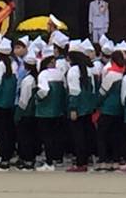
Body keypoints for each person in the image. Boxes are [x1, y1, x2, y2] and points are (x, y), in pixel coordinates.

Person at [66, 43, 96, 173]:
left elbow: (74, 91)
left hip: (78, 107)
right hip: (87, 107)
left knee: (78, 136)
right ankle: (87, 159)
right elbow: (92, 89)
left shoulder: (73, 71)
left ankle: (80, 162)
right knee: (87, 134)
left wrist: (73, 108)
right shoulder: (88, 69)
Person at [35, 49, 67, 170]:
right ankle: (57, 158)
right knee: (57, 136)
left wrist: (37, 97)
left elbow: (44, 90)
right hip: (58, 110)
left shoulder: (43, 74)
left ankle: (49, 162)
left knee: (47, 137)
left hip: (45, 111)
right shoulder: (59, 73)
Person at [0, 38, 18, 170]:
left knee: (2, 132)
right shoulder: (14, 64)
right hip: (10, 103)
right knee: (9, 130)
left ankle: (3, 157)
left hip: (0, 103)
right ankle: (9, 155)